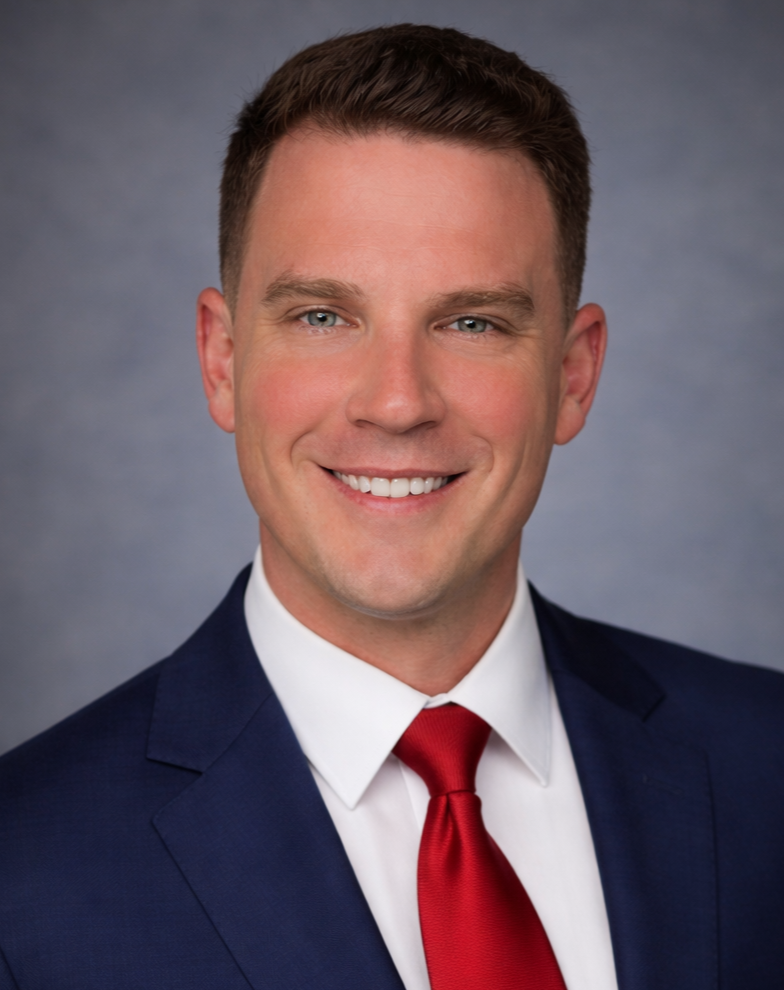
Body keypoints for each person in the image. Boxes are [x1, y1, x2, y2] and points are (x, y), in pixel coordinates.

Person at [0, 23, 782, 990]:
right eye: (324, 316)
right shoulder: (23, 871)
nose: (398, 401)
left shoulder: (768, 769)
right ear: (222, 359)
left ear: (574, 377)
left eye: (471, 322)